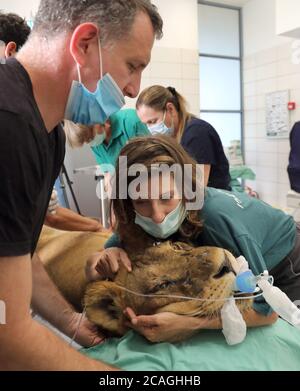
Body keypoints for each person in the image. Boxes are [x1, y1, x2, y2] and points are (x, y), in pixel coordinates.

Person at [0, 0, 163, 371]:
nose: (134, 89)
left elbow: (20, 254)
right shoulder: (8, 124)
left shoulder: (49, 131)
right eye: (132, 66)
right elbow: (7, 338)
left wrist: (72, 323)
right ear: (84, 43)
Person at [86, 136, 300, 343]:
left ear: (187, 191)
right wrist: (104, 256)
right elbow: (95, 267)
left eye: (166, 198)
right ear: (128, 202)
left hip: (289, 260)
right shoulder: (136, 218)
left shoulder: (217, 220)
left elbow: (267, 310)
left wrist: (191, 323)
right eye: (141, 202)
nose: (157, 215)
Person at [136, 85, 231, 190]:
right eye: (146, 124)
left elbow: (197, 188)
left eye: (153, 121)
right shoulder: (174, 136)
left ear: (170, 109)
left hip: (214, 200)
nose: (151, 129)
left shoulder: (197, 132)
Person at [65, 108, 149, 168]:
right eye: (86, 141)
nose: (90, 142)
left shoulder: (132, 121)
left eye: (90, 137)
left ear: (98, 119)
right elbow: (108, 172)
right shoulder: (96, 144)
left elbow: (152, 160)